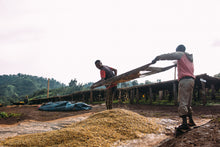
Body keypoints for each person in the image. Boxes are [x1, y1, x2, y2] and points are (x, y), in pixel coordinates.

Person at [152, 44, 196, 132]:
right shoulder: (188, 58)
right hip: (191, 80)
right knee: (187, 102)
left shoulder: (180, 54)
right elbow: (177, 63)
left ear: (179, 50)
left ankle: (184, 124)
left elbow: (170, 55)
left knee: (182, 101)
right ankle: (191, 121)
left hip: (184, 80)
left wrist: (157, 57)